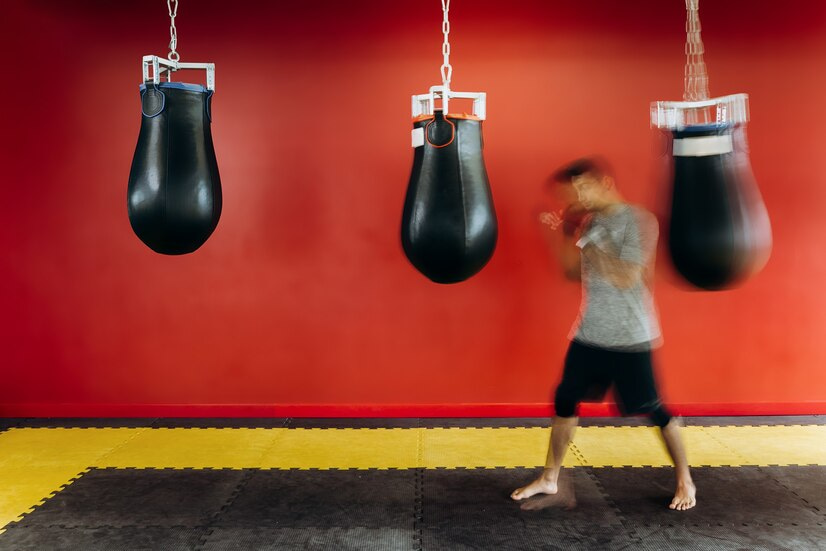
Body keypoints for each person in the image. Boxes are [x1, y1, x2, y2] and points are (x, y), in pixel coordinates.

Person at [512, 158, 696, 511]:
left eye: (584, 187)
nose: (579, 196)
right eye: (574, 191)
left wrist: (591, 244)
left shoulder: (639, 220)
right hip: (589, 332)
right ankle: (550, 478)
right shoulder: (591, 222)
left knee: (654, 409)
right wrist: (566, 230)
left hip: (630, 336)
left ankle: (685, 479)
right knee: (565, 401)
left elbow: (627, 276)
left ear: (606, 183)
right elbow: (570, 272)